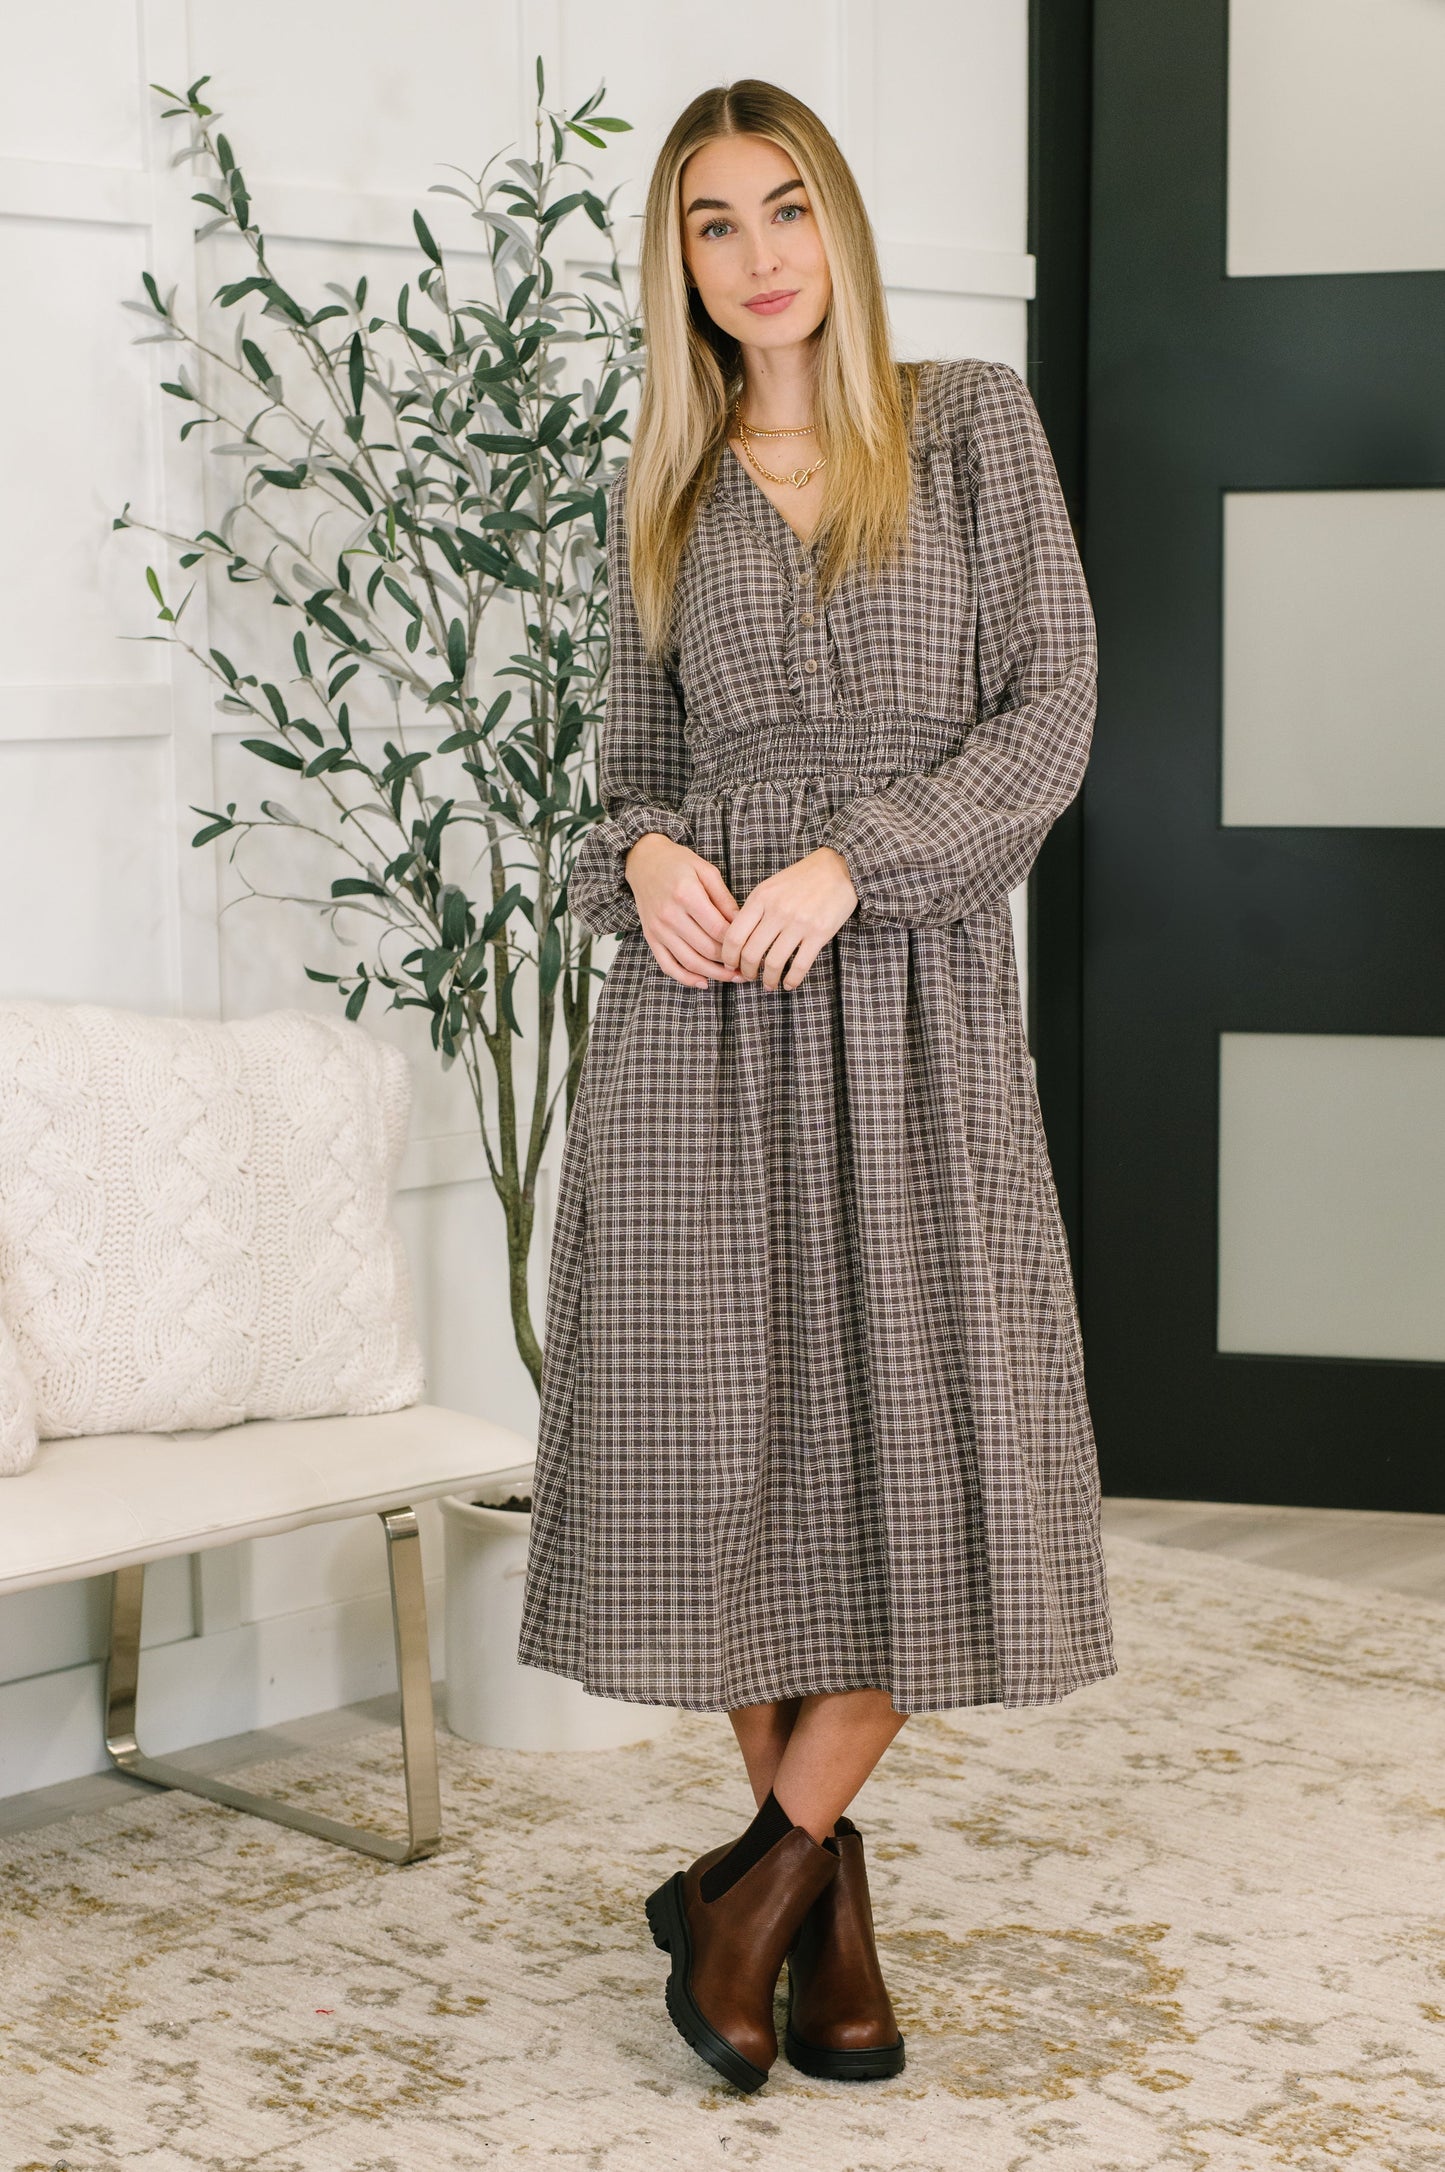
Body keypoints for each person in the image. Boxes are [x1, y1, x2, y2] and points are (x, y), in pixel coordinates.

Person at [518, 77, 1117, 2094]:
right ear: (676, 264)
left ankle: (748, 1887)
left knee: (935, 1444)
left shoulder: (969, 428)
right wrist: (645, 861)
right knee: (739, 1464)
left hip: (912, 1005)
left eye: (786, 208)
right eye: (714, 224)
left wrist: (858, 860)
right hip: (700, 1035)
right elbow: (614, 790)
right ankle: (822, 1916)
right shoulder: (657, 494)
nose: (759, 255)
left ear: (839, 225)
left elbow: (1053, 705)